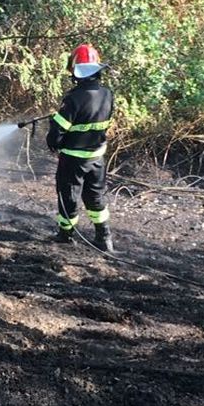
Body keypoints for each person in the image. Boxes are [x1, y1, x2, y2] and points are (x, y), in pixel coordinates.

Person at [46, 43, 115, 252]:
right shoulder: (107, 94)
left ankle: (65, 235)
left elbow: (59, 130)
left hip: (73, 159)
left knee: (68, 195)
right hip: (97, 157)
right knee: (95, 195)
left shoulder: (74, 98)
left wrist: (53, 141)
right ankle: (104, 237)